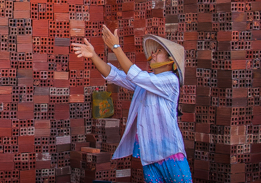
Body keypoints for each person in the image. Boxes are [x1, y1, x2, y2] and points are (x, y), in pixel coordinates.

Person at [72, 26, 192, 183]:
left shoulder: (170, 80)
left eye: (158, 52)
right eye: (154, 51)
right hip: (149, 156)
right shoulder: (146, 82)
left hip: (170, 154)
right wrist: (93, 55)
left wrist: (116, 48)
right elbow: (115, 75)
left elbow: (136, 75)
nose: (153, 54)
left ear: (171, 61)